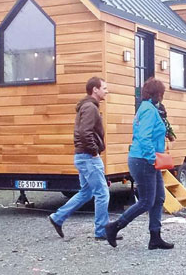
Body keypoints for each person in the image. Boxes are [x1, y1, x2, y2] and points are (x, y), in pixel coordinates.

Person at [106, 78, 173, 249]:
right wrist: (152, 159)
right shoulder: (149, 111)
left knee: (158, 198)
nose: (162, 96)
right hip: (144, 160)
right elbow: (144, 137)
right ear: (158, 94)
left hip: (147, 159)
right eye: (162, 93)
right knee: (146, 201)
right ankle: (114, 227)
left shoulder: (146, 108)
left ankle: (155, 237)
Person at [49, 77, 111, 241]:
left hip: (82, 156)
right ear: (95, 90)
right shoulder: (90, 108)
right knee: (102, 193)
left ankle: (57, 217)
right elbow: (84, 132)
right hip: (88, 156)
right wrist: (94, 151)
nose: (107, 90)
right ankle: (102, 231)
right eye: (104, 88)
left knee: (86, 192)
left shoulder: (87, 106)